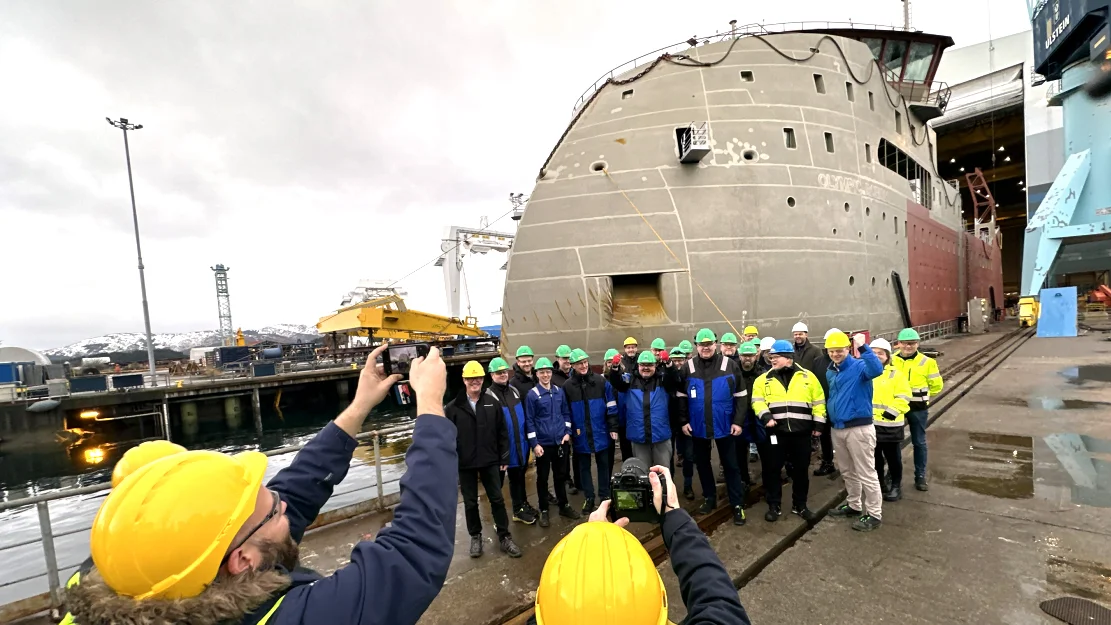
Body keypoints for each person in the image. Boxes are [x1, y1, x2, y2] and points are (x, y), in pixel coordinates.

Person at [67, 344, 458, 625]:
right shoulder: (293, 617)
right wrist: (430, 406)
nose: (284, 502)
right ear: (242, 562)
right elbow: (413, 554)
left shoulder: (135, 569)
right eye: (273, 509)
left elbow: (293, 492)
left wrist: (359, 406)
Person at [528, 467, 751, 625]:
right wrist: (673, 515)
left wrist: (593, 536)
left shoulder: (549, 613)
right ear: (661, 597)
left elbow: (550, 607)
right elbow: (719, 599)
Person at [448, 360, 524, 558]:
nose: (476, 381)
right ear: (464, 380)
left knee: (497, 499)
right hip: (465, 463)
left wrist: (504, 456)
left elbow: (502, 432)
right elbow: (446, 438)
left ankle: (504, 536)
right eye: (471, 378)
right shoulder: (453, 408)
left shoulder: (492, 403)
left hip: (490, 460)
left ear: (483, 379)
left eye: (479, 378)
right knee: (471, 502)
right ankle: (475, 536)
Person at [679, 328, 749, 526]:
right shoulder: (688, 367)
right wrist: (684, 421)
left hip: (725, 425)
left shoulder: (730, 365)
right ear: (697, 346)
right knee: (702, 463)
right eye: (702, 345)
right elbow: (681, 398)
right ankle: (710, 498)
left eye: (709, 344)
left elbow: (741, 397)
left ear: (716, 345)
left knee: (731, 465)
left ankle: (737, 504)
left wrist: (737, 421)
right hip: (698, 426)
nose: (706, 348)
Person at [751, 340, 826, 522]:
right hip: (776, 434)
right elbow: (757, 401)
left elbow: (819, 401)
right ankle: (774, 505)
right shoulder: (763, 380)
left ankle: (800, 505)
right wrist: (766, 417)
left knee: (800, 471)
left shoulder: (808, 377)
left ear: (789, 358)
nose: (772, 360)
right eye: (771, 357)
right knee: (772, 470)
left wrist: (818, 425)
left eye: (776, 357)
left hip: (801, 434)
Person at [823, 331, 885, 532]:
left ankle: (874, 514)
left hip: (859, 428)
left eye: (839, 350)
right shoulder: (831, 371)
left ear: (848, 349)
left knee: (866, 472)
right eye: (832, 351)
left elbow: (877, 369)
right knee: (847, 471)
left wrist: (864, 348)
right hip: (838, 428)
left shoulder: (860, 367)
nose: (835, 354)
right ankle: (854, 504)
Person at [525, 358, 582, 527]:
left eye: (548, 372)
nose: (545, 375)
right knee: (542, 478)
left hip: (560, 442)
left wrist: (567, 433)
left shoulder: (559, 391)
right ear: (537, 374)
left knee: (560, 475)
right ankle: (544, 509)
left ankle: (564, 505)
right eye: (542, 372)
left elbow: (565, 413)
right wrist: (534, 444)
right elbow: (530, 421)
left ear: (551, 372)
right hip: (543, 445)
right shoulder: (532, 395)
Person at [564, 348, 619, 514]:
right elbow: (566, 411)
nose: (583, 365)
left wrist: (613, 427)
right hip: (580, 433)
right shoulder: (568, 386)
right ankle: (589, 497)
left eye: (585, 362)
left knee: (604, 465)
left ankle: (604, 497)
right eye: (579, 363)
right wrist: (569, 431)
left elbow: (611, 405)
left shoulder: (601, 382)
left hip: (600, 430)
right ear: (572, 365)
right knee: (584, 467)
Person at [608, 351, 686, 468]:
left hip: (661, 436)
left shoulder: (663, 380)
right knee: (642, 474)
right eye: (643, 365)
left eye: (649, 365)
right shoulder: (629, 381)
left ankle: (664, 487)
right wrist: (615, 367)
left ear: (655, 365)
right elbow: (616, 382)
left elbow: (675, 379)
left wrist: (669, 363)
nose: (646, 368)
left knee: (663, 473)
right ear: (638, 365)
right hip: (638, 436)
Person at [892, 328, 944, 492]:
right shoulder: (891, 361)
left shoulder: (927, 362)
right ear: (898, 344)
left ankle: (920, 475)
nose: (908, 346)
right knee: (894, 443)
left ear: (917, 344)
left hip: (917, 409)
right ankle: (893, 475)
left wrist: (922, 398)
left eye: (912, 343)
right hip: (897, 408)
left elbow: (937, 386)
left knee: (919, 442)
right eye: (905, 343)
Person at [487, 357, 537, 525]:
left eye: (504, 372)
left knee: (519, 477)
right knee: (500, 485)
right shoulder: (489, 396)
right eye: (498, 373)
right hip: (504, 449)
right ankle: (503, 517)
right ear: (492, 375)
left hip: (520, 444)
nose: (502, 375)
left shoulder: (514, 391)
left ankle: (521, 505)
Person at [869, 338, 912, 502]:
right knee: (875, 458)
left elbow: (904, 395)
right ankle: (879, 485)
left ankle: (896, 486)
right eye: (873, 353)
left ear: (887, 356)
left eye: (881, 353)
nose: (877, 356)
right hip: (870, 425)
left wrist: (891, 412)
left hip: (890, 425)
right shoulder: (865, 373)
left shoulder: (896, 374)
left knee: (893, 458)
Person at [733, 341, 764, 501]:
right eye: (744, 355)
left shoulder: (763, 374)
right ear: (739, 356)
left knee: (765, 452)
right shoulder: (733, 373)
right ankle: (744, 480)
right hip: (740, 419)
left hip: (758, 419)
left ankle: (767, 482)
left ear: (756, 356)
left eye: (750, 355)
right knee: (739, 454)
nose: (747, 359)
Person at [810, 328, 842, 477]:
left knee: (843, 437)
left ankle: (847, 465)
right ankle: (828, 462)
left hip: (842, 407)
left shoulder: (849, 363)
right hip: (823, 405)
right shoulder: (818, 362)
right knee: (825, 436)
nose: (835, 353)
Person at [668, 346, 696, 499]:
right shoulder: (666, 378)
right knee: (668, 457)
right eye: (675, 360)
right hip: (670, 423)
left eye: (680, 360)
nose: (678, 364)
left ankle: (688, 485)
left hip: (687, 422)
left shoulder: (690, 377)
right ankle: (670, 487)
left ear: (685, 360)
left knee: (689, 456)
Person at [551, 344, 578, 495]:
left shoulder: (576, 374)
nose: (567, 361)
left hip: (577, 418)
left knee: (578, 452)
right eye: (564, 358)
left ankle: (578, 478)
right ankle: (566, 479)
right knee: (564, 453)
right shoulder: (553, 378)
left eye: (569, 358)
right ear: (558, 359)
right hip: (562, 421)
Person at [608, 346, 635, 464]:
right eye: (609, 362)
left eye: (614, 362)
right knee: (625, 449)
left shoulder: (626, 377)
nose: (611, 364)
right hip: (618, 419)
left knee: (632, 448)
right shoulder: (602, 380)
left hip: (628, 418)